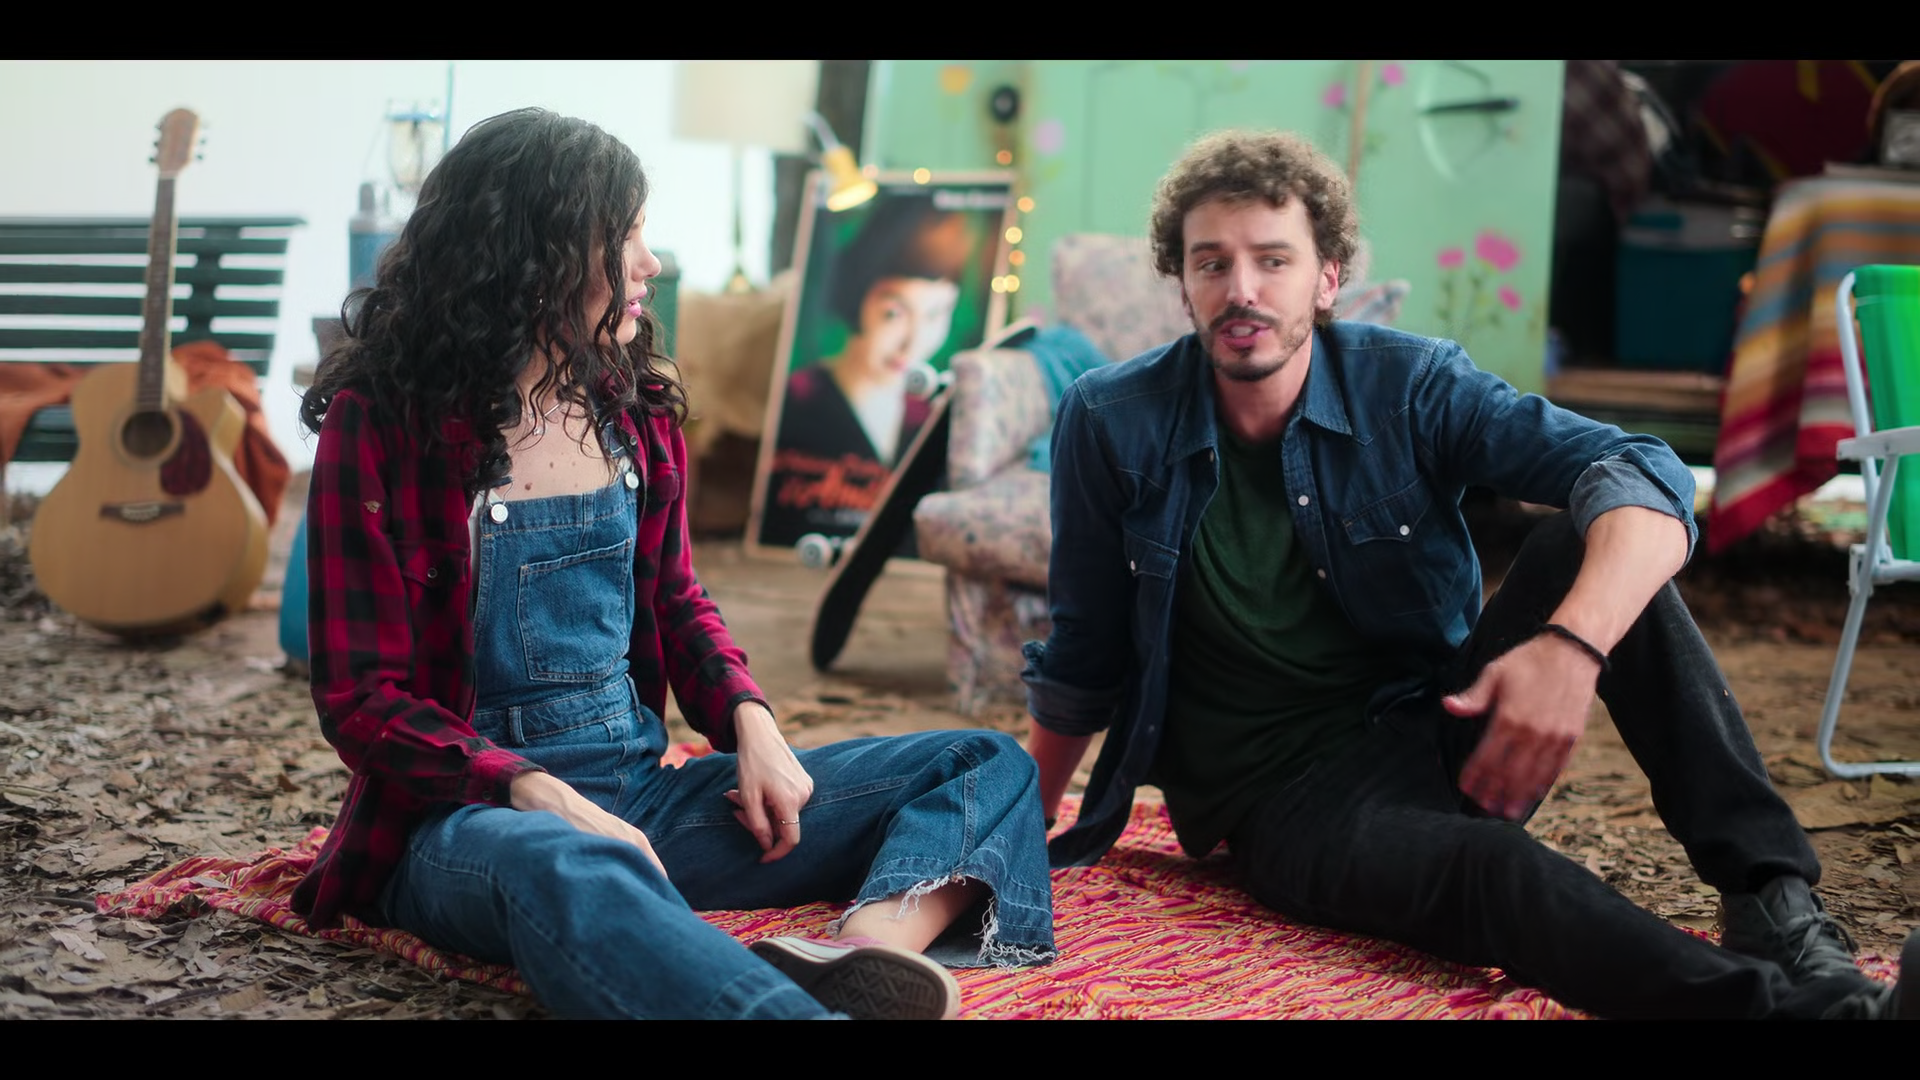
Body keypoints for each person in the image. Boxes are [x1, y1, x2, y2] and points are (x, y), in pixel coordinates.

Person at [1020, 128, 1917, 1020]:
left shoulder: (1408, 385)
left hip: (1443, 725)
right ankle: (1826, 1018)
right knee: (1497, 870)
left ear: (1328, 278)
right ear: (1182, 282)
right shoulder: (1111, 420)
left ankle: (1772, 904)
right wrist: (1022, 827)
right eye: (1211, 263)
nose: (1241, 289)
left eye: (1273, 260)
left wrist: (1571, 646)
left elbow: (1645, 473)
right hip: (1285, 805)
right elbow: (1084, 652)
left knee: (1583, 540)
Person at [290, 107, 1055, 1021]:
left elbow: (676, 601)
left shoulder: (635, 409)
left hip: (643, 800)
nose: (650, 263)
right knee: (568, 865)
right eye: (625, 239)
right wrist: (533, 793)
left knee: (981, 761)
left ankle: (864, 954)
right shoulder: (381, 422)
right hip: (463, 825)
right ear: (531, 256)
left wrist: (750, 722)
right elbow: (361, 700)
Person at [760, 195, 972, 549]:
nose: (913, 344)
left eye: (935, 314)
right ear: (856, 297)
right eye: (894, 313)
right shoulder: (797, 401)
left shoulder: (931, 418)